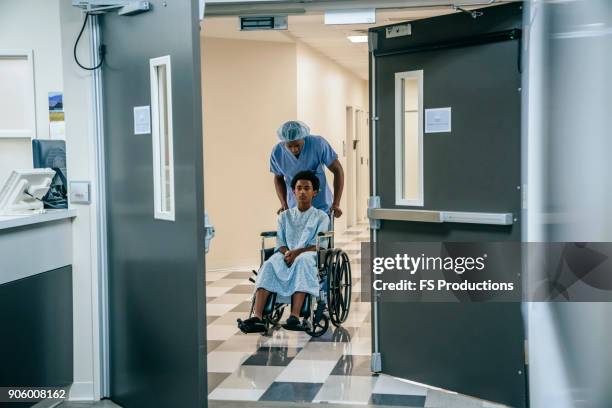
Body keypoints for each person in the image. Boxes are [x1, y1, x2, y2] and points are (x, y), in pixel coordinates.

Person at [238, 171, 330, 333]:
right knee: (269, 264)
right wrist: (288, 252)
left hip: (309, 254)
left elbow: (319, 245)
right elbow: (280, 242)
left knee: (302, 262)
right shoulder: (284, 216)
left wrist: (297, 253)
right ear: (293, 191)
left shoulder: (321, 217)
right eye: (298, 188)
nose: (302, 192)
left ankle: (294, 316)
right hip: (286, 254)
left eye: (306, 188)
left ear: (314, 192)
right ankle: (257, 317)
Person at [270, 120, 344, 218]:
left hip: (321, 207)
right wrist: (283, 203)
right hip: (295, 208)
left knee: (322, 232)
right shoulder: (277, 152)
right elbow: (278, 178)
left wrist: (336, 204)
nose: (294, 149)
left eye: (297, 145)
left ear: (303, 138)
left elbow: (338, 170)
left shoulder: (318, 144)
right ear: (284, 142)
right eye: (290, 146)